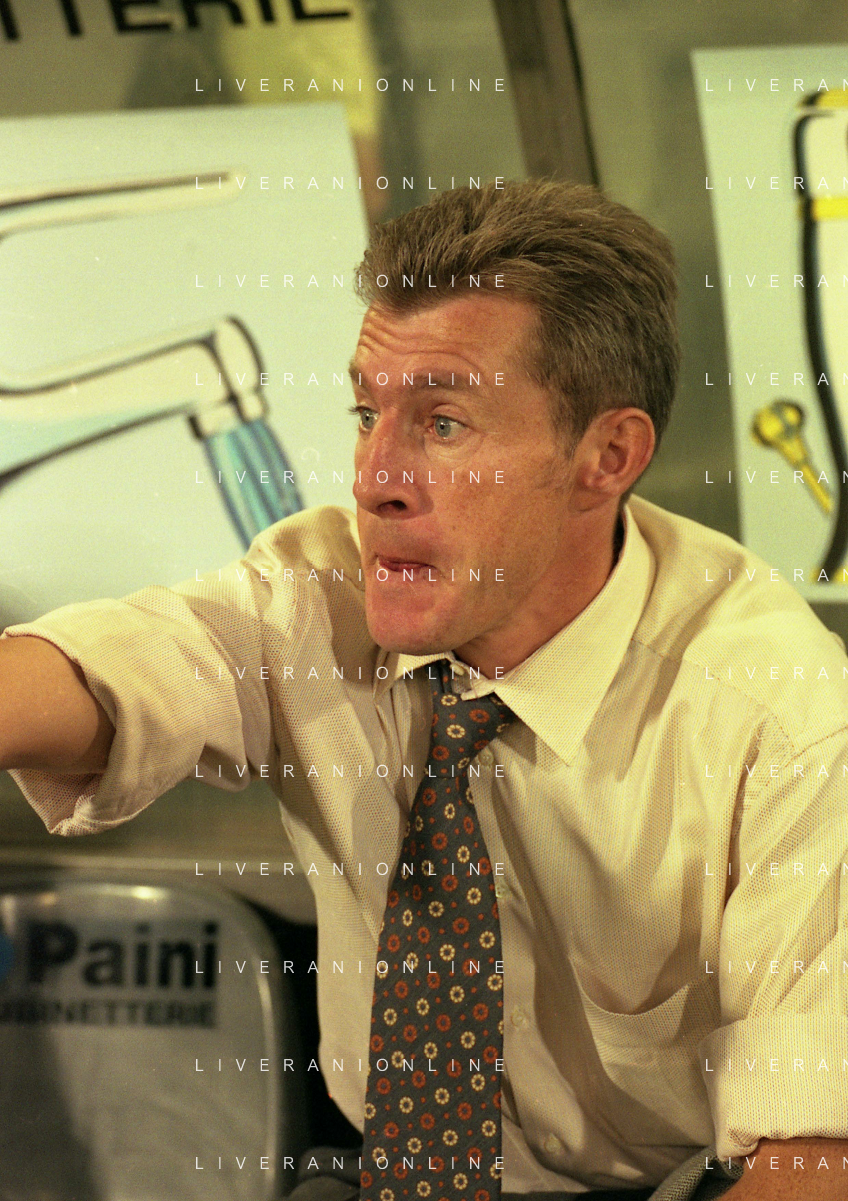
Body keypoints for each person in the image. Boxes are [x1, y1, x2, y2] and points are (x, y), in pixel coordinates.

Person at [1, 180, 846, 1200]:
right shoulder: (319, 590)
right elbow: (100, 674)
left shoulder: (784, 715)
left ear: (606, 457)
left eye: (443, 424)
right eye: (367, 412)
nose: (373, 478)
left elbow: (811, 1159)